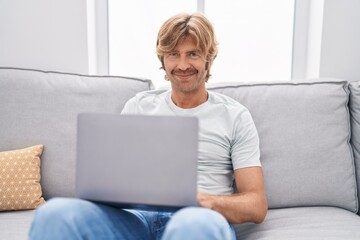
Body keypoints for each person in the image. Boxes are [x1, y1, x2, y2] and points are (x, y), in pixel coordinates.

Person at [29, 12, 267, 240]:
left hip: (200, 218)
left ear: (208, 59)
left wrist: (205, 201)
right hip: (136, 220)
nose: (183, 65)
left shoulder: (235, 116)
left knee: (192, 225)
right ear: (163, 60)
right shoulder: (138, 106)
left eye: (193, 54)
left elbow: (256, 206)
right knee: (54, 214)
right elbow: (112, 177)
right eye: (173, 54)